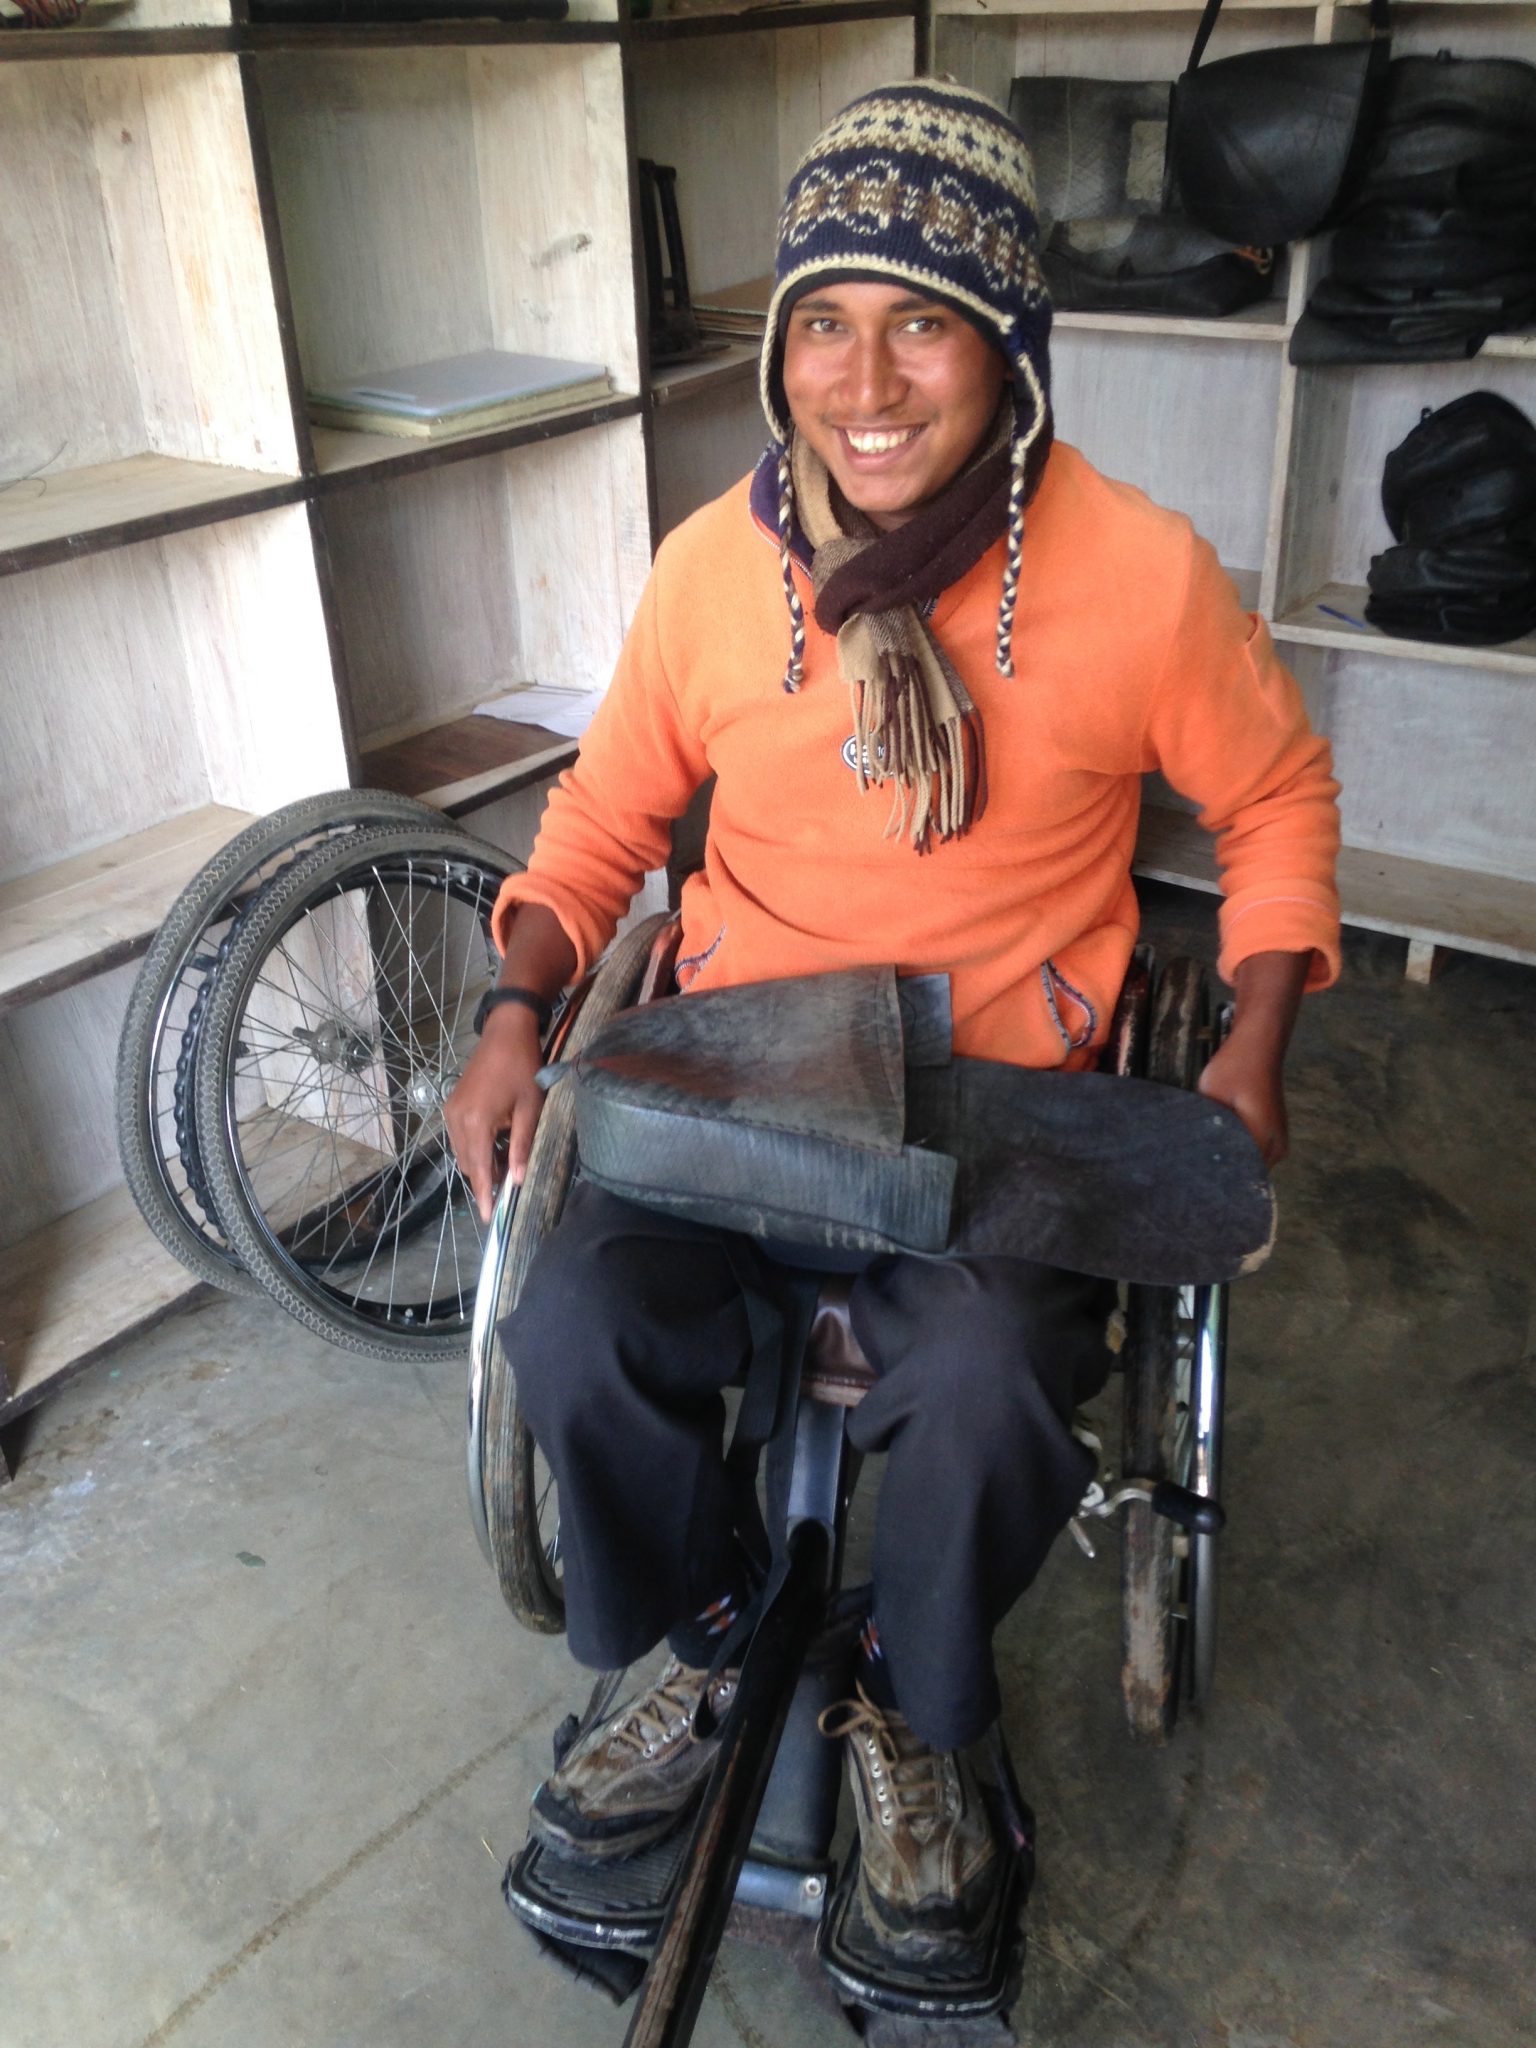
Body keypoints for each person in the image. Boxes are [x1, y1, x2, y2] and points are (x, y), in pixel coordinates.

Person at [446, 79, 1341, 1969]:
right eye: (825, 323)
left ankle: (915, 1707)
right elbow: (601, 823)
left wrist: (1251, 1040)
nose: (866, 384)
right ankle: (713, 1640)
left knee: (996, 1382)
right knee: (577, 1323)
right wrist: (521, 1006)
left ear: (1008, 347)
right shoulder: (714, 572)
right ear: (781, 349)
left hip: (997, 1102)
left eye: (923, 323)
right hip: (740, 1079)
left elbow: (1272, 799)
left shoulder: (1138, 575)